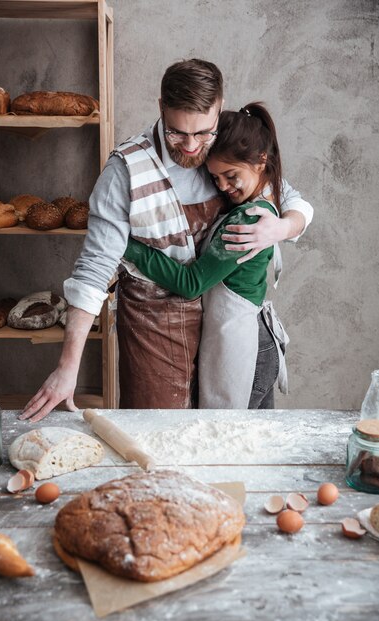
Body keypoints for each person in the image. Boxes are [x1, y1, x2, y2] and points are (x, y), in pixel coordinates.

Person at [19, 59, 313, 422]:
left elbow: (289, 196)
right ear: (161, 108)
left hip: (220, 339)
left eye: (202, 132)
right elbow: (93, 272)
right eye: (177, 133)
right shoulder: (125, 171)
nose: (191, 147)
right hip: (153, 332)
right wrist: (68, 368)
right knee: (159, 442)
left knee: (222, 442)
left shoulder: (225, 149)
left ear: (219, 110)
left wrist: (282, 228)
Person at [124, 103, 291, 408]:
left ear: (260, 161)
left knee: (228, 445)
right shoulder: (262, 195)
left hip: (246, 348)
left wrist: (130, 247)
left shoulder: (248, 221)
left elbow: (191, 282)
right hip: (254, 341)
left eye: (230, 176)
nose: (223, 187)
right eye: (215, 178)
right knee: (253, 449)